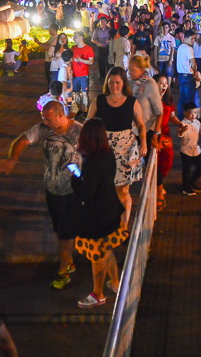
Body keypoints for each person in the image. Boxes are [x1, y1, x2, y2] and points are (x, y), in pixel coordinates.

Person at [0, 101, 83, 290]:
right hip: (51, 188)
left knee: (65, 230)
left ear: (61, 116)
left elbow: (96, 150)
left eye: (48, 119)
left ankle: (64, 269)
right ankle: (69, 260)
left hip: (72, 189)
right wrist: (13, 158)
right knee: (60, 228)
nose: (45, 123)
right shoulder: (43, 129)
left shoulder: (79, 131)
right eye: (43, 119)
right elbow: (21, 141)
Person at [73, 119, 130, 309]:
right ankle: (115, 282)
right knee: (107, 249)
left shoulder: (91, 163)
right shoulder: (108, 155)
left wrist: (76, 177)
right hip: (110, 211)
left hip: (96, 217)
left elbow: (86, 192)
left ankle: (98, 294)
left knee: (97, 256)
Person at [86, 67, 148, 230]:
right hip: (104, 149)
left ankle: (123, 225)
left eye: (118, 83)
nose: (114, 86)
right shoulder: (99, 100)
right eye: (111, 82)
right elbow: (88, 121)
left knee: (123, 189)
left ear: (123, 83)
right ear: (107, 83)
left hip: (126, 149)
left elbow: (141, 125)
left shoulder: (132, 102)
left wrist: (144, 143)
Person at [152, 73, 181, 205]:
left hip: (166, 135)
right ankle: (158, 187)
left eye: (165, 83)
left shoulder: (168, 99)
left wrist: (181, 124)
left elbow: (172, 116)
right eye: (160, 83)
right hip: (153, 136)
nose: (163, 86)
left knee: (167, 161)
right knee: (155, 163)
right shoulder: (150, 100)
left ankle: (158, 183)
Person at [178, 104, 201, 195]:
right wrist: (182, 130)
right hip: (185, 150)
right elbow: (180, 134)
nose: (193, 115)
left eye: (195, 113)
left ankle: (191, 182)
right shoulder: (183, 123)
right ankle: (186, 188)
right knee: (186, 170)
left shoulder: (197, 122)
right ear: (185, 113)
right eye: (190, 113)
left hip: (196, 149)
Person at [175, 33, 200, 118]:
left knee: (182, 98)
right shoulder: (189, 48)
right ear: (186, 38)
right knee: (190, 99)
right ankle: (189, 117)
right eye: (192, 38)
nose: (193, 40)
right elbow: (193, 64)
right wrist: (195, 69)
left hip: (181, 75)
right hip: (188, 76)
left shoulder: (180, 47)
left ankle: (181, 116)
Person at [71, 32, 95, 116]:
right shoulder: (73, 48)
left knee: (84, 93)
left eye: (76, 37)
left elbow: (91, 61)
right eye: (73, 37)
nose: (74, 38)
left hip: (84, 74)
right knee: (76, 93)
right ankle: (79, 110)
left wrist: (81, 60)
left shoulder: (88, 49)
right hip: (74, 74)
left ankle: (85, 110)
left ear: (81, 37)